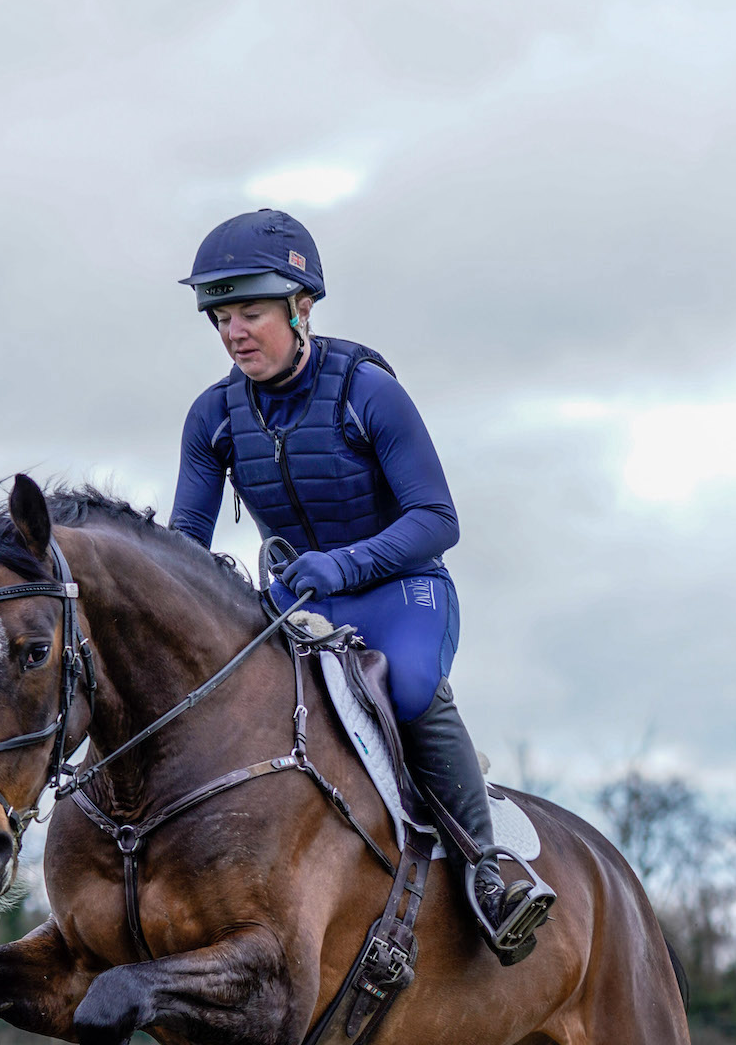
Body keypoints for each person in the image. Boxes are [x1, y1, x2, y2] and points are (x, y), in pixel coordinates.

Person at [170, 207, 553, 962]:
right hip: (296, 602)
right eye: (220, 317)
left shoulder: (366, 390)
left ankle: (487, 871)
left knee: (407, 689)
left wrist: (342, 565)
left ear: (301, 306)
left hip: (399, 589)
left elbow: (438, 518)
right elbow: (185, 546)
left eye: (251, 311)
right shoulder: (211, 417)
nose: (234, 332)